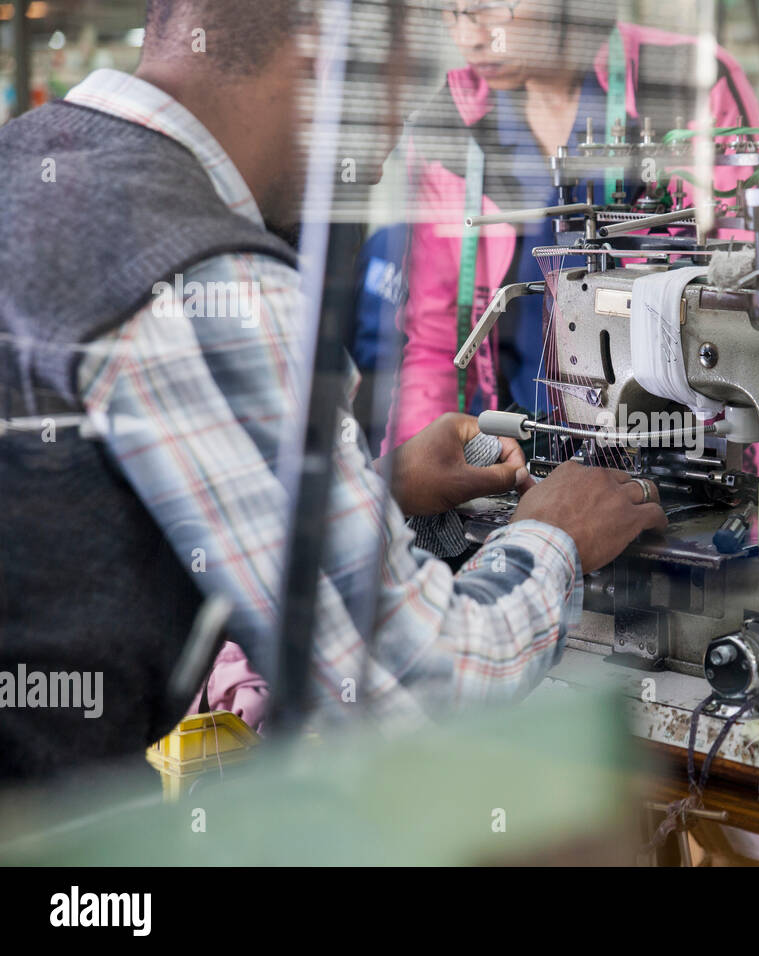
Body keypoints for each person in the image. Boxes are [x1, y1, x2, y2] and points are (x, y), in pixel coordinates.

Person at [0, 0, 665, 782]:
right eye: (395, 106)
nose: (385, 159)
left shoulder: (26, 164)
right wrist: (557, 535)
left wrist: (368, 492)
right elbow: (417, 690)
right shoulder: (209, 281)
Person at [387, 0, 759, 449]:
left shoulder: (692, 81)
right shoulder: (445, 128)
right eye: (447, 10)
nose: (467, 36)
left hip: (679, 443)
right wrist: (413, 484)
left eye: (491, 7)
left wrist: (755, 502)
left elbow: (746, 309)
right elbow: (435, 342)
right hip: (516, 440)